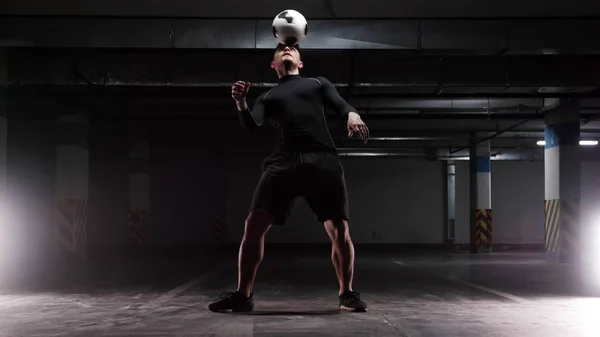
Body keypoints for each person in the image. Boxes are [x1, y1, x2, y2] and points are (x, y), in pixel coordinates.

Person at [208, 43, 370, 313]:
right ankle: (243, 295)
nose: (287, 49)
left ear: (300, 62)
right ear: (273, 65)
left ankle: (347, 294)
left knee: (339, 229)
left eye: (292, 48)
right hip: (284, 161)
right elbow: (252, 124)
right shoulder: (267, 97)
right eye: (281, 48)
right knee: (253, 225)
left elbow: (340, 103)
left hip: (321, 158)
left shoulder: (318, 83)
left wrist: (352, 114)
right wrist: (240, 102)